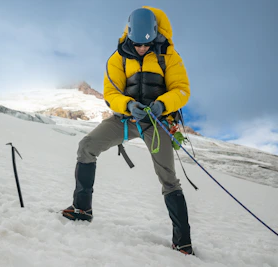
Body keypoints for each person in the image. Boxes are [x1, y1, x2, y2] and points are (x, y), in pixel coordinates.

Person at [62, 6, 194, 255]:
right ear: (129, 35)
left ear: (155, 34)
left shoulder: (170, 56)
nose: (142, 48)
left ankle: (183, 242)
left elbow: (182, 90)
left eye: (146, 44)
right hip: (126, 119)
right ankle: (82, 209)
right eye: (137, 44)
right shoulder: (117, 58)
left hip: (158, 122)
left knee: (168, 178)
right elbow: (111, 93)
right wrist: (128, 105)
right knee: (87, 147)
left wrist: (162, 104)